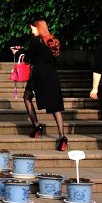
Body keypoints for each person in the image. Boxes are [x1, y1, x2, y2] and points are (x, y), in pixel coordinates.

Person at [24, 17, 67, 150]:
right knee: (55, 106)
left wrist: (18, 52)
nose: (31, 31)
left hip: (38, 74)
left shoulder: (35, 41)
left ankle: (36, 125)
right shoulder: (51, 41)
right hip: (52, 75)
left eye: (32, 28)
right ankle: (62, 137)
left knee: (27, 97)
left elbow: (27, 58)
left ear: (38, 28)